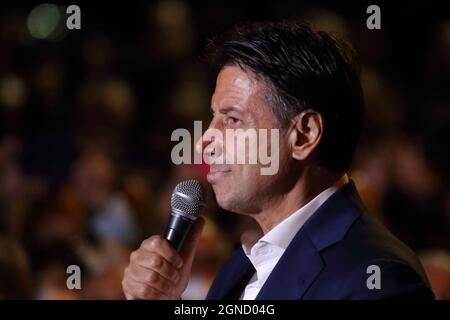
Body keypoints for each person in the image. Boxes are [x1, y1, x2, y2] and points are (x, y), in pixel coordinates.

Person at [121, 21, 434, 300]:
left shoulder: (377, 279)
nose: (205, 140)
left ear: (303, 135)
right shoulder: (239, 267)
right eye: (213, 117)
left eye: (232, 120)